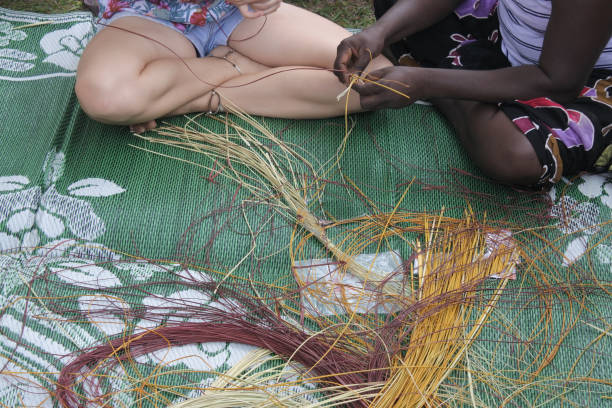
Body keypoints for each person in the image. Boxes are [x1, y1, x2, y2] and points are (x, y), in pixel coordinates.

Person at [334, 0, 612, 187]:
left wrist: (426, 84)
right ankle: (464, 89)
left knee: (515, 155)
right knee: (396, 11)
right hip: (502, 33)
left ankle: (443, 80)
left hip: (584, 80)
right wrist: (379, 33)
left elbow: (560, 83)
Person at [75, 0, 391, 133]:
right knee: (107, 97)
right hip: (148, 17)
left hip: (235, 14)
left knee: (378, 77)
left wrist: (158, 100)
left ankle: (186, 94)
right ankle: (230, 66)